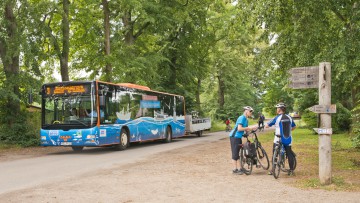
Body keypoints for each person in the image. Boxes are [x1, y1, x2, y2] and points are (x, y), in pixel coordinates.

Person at [265, 102, 297, 176]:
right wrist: (289, 130)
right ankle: (291, 170)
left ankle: (273, 170)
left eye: (277, 108)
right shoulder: (289, 117)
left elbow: (267, 126)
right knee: (289, 153)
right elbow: (294, 126)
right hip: (288, 138)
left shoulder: (277, 118)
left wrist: (271, 126)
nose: (276, 109)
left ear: (279, 109)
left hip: (278, 138)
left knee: (274, 153)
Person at [229, 106, 256, 175]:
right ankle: (235, 170)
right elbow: (239, 128)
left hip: (238, 137)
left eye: (251, 112)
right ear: (246, 111)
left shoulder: (246, 119)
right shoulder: (242, 118)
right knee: (235, 153)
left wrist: (251, 130)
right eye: (250, 112)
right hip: (234, 137)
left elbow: (246, 129)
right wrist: (249, 127)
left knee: (238, 153)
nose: (251, 113)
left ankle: (240, 168)